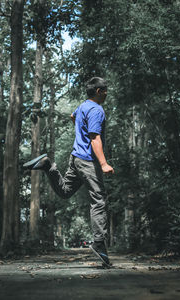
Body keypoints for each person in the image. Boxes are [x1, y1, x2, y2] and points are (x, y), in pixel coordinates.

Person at [23, 77, 114, 267]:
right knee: (98, 199)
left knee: (64, 191)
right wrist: (104, 163)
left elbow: (74, 117)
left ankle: (49, 166)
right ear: (98, 91)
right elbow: (95, 138)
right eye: (105, 90)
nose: (106, 93)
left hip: (76, 158)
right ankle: (99, 243)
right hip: (88, 161)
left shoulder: (83, 107)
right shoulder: (96, 110)